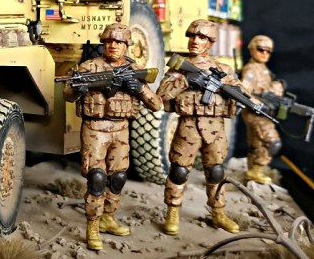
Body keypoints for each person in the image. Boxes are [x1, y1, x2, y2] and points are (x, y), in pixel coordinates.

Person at [64, 23, 162, 251]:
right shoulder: (89, 67)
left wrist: (138, 88)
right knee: (97, 178)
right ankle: (93, 226)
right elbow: (68, 94)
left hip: (121, 129)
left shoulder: (134, 68)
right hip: (95, 128)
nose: (113, 46)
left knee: (118, 177)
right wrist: (78, 89)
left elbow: (157, 104)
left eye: (118, 42)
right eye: (108, 42)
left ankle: (108, 217)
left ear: (127, 45)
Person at [157, 19, 242, 236]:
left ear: (211, 42)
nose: (195, 41)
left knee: (216, 171)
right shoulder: (179, 67)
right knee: (179, 171)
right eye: (192, 36)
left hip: (215, 128)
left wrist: (231, 88)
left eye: (202, 37)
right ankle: (173, 211)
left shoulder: (223, 69)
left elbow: (238, 95)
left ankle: (218, 212)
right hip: (188, 127)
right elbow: (161, 96)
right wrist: (186, 81)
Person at [240, 35, 284, 184]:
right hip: (255, 113)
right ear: (252, 49)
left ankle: (254, 170)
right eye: (261, 49)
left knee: (256, 143)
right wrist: (258, 104)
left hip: (264, 113)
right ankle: (256, 170)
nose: (265, 53)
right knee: (272, 142)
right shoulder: (251, 70)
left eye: (268, 51)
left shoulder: (263, 69)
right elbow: (243, 92)